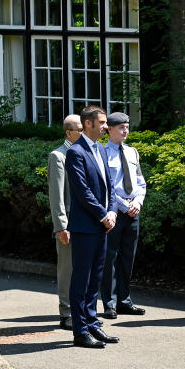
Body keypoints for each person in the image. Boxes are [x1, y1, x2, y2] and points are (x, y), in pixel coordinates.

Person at [65, 105, 119, 348]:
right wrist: (102, 215)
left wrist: (113, 212)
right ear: (89, 124)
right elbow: (82, 191)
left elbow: (110, 187)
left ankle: (93, 324)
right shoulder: (76, 152)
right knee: (82, 279)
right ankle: (80, 331)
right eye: (102, 123)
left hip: (102, 225)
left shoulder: (101, 150)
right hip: (86, 226)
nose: (106, 127)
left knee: (96, 277)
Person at [101, 112, 147, 319]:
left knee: (128, 257)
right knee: (110, 257)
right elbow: (106, 187)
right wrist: (122, 205)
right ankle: (109, 303)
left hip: (132, 211)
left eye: (127, 127)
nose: (125, 130)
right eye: (120, 127)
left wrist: (137, 202)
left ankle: (124, 300)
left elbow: (140, 182)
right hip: (114, 212)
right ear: (109, 129)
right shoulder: (102, 153)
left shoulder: (132, 152)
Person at [48, 114, 83, 331]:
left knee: (85, 269)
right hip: (69, 223)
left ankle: (82, 312)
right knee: (67, 269)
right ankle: (67, 313)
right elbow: (56, 195)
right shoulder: (58, 156)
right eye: (80, 129)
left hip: (87, 222)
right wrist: (61, 225)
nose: (84, 132)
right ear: (68, 132)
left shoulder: (88, 152)